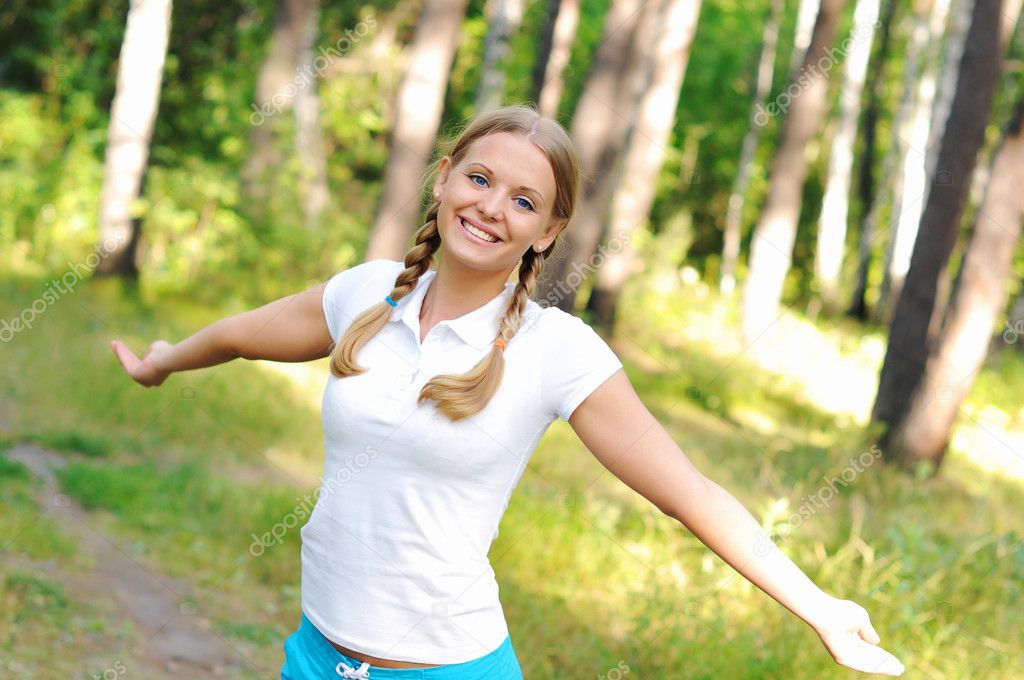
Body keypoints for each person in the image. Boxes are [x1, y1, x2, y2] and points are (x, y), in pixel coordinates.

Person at [110, 105, 905, 679]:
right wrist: (164, 361)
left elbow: (691, 494)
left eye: (523, 201)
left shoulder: (557, 352)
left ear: (548, 231)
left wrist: (819, 607)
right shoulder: (365, 294)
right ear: (444, 178)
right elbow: (243, 333)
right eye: (480, 178)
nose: (492, 207)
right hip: (317, 657)